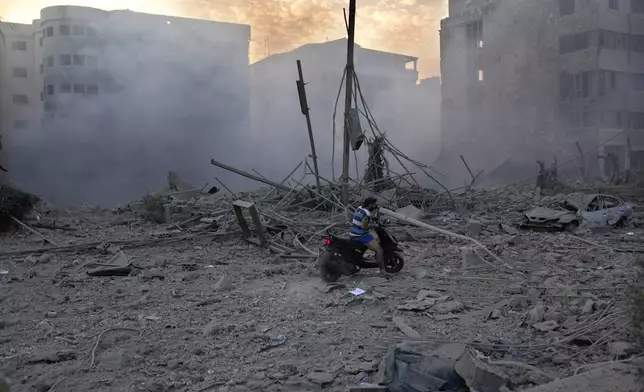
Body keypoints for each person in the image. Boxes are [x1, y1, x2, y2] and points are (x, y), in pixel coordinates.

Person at [350, 196, 386, 275]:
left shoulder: (360, 208)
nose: (375, 206)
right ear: (370, 204)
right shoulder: (367, 213)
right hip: (361, 235)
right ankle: (383, 271)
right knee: (379, 250)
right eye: (374, 204)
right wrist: (373, 226)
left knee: (375, 238)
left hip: (353, 233)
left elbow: (361, 219)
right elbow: (363, 226)